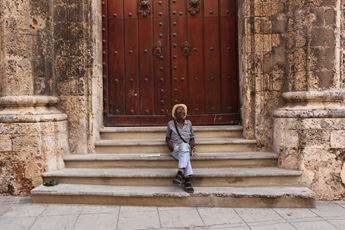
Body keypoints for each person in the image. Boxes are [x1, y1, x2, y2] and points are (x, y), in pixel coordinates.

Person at [165, 104, 195, 193]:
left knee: (184, 146)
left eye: (182, 110)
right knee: (185, 153)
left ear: (185, 113)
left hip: (186, 147)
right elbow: (167, 138)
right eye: (178, 110)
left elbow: (192, 138)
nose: (181, 112)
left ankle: (180, 173)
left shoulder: (189, 123)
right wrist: (169, 145)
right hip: (175, 149)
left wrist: (192, 145)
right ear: (174, 113)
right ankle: (187, 180)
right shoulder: (170, 123)